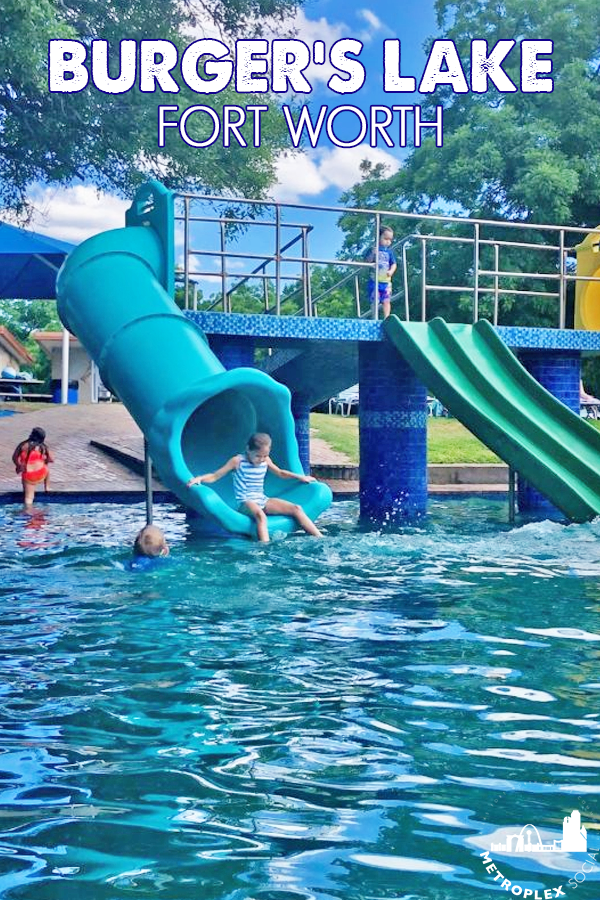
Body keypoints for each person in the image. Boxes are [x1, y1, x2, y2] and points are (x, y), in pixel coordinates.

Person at [186, 432, 323, 542]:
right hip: (246, 502)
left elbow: (280, 473)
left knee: (296, 508)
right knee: (260, 516)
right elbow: (215, 476)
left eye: (265, 456)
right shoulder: (237, 461)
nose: (262, 459)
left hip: (262, 499)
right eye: (258, 456)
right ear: (248, 449)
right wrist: (200, 478)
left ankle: (319, 538)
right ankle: (264, 548)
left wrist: (301, 477)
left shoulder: (265, 460)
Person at [12, 427, 54, 507]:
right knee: (46, 468)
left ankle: (28, 511)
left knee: (29, 498)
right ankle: (47, 487)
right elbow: (51, 459)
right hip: (41, 474)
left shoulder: (23, 445)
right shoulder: (43, 447)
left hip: (29, 476)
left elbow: (14, 457)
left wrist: (18, 465)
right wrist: (43, 459)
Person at [366, 225, 397, 319]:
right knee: (375, 300)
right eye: (385, 238)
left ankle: (386, 317)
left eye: (390, 239)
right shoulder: (373, 249)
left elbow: (394, 264)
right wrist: (372, 254)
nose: (388, 241)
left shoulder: (389, 252)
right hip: (374, 280)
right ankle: (374, 317)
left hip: (386, 281)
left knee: (386, 300)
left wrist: (391, 271)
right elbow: (367, 261)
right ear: (378, 237)